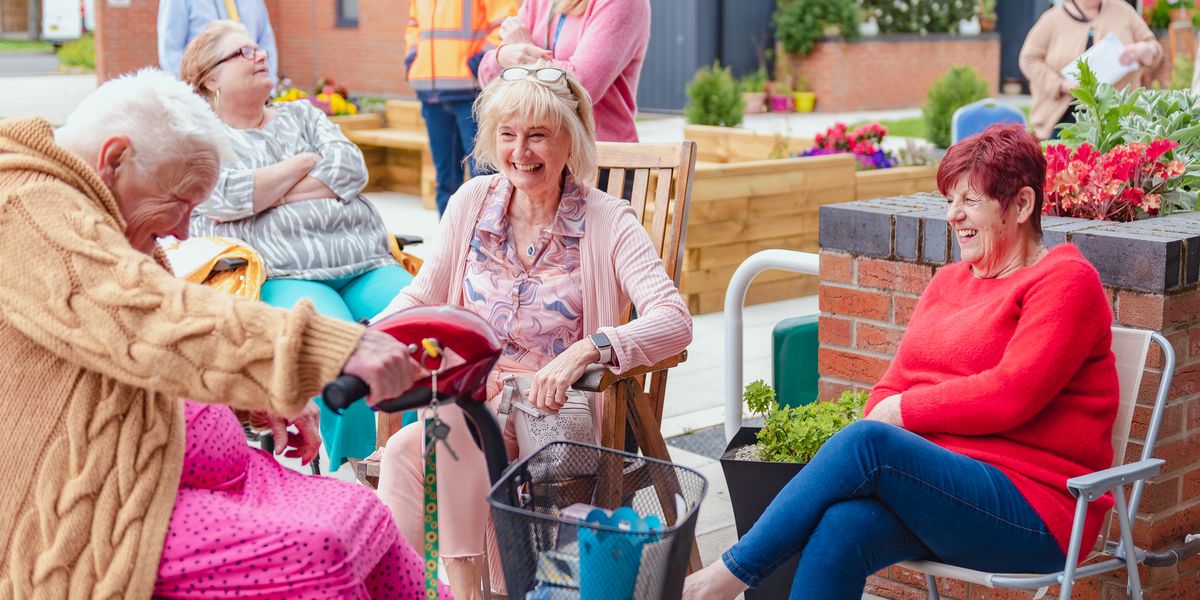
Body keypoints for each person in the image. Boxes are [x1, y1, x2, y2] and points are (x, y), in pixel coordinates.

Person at [0, 68, 446, 598]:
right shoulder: (25, 205)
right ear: (113, 158)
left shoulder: (90, 202)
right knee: (319, 551)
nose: (185, 231)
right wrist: (324, 347)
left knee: (363, 512)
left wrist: (248, 395)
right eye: (181, 202)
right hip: (105, 509)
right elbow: (146, 317)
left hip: (180, 478)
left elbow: (128, 352)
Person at [683, 124, 1121, 600]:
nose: (954, 216)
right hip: (945, 491)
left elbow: (1011, 394)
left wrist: (905, 412)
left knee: (871, 441)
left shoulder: (1065, 281)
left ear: (1021, 205)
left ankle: (724, 579)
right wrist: (898, 409)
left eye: (970, 200)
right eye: (949, 201)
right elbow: (889, 390)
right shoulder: (948, 283)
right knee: (843, 527)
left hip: (1037, 509)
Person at [375, 63, 693, 599]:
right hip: (475, 405)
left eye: (538, 135)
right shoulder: (471, 204)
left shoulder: (608, 220)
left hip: (554, 414)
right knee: (417, 446)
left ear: (572, 139)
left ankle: (459, 592)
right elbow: (421, 295)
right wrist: (373, 337)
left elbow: (674, 320)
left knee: (435, 433)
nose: (521, 151)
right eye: (508, 134)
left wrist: (588, 351)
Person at [180, 20, 413, 469]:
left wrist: (269, 194)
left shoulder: (302, 115)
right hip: (285, 274)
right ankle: (357, 475)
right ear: (210, 78)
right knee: (345, 357)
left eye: (259, 49)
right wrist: (307, 163)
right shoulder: (203, 138)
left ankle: (417, 464)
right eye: (243, 53)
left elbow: (351, 169)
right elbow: (226, 197)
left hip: (364, 261)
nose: (261, 56)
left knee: (423, 333)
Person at [477, 0, 650, 144]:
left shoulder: (622, 3)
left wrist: (523, 55)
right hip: (536, 154)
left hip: (603, 160)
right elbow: (491, 84)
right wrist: (501, 56)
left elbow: (582, 87)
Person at [405, 0, 518, 215]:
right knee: (445, 179)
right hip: (430, 92)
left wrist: (478, 61)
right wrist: (413, 59)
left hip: (472, 93)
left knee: (486, 178)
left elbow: (505, 22)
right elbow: (414, 24)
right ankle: (449, 245)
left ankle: (487, 244)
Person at [1019, 0, 1160, 139]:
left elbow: (1154, 49)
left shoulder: (1124, 11)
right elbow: (1029, 59)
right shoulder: (1052, 19)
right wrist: (1061, 85)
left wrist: (1144, 49)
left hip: (1118, 122)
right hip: (1062, 121)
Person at [158, 0, 279, 82]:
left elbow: (266, 41)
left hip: (250, 92)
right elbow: (170, 50)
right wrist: (190, 96)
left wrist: (268, 86)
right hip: (204, 97)